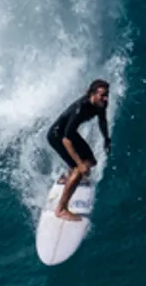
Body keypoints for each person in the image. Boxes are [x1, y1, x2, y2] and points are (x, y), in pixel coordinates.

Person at [46, 79, 111, 221]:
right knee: (79, 169)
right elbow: (66, 140)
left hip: (69, 134)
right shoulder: (80, 109)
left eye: (107, 94)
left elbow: (102, 120)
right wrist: (79, 164)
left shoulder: (102, 103)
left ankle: (68, 177)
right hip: (57, 136)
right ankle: (61, 209)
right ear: (92, 94)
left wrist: (106, 138)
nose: (105, 98)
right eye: (102, 95)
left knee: (91, 161)